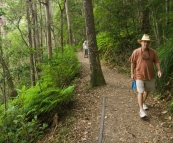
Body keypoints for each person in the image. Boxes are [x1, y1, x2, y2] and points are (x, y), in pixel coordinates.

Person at [129, 34, 162, 118]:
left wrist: (159, 70)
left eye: (147, 42)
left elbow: (156, 61)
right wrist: (132, 73)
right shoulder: (136, 52)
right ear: (141, 42)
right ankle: (141, 110)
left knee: (147, 91)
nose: (145, 43)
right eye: (144, 42)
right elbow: (132, 63)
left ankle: (143, 103)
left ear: (149, 43)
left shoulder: (153, 52)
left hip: (150, 75)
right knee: (140, 91)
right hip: (139, 75)